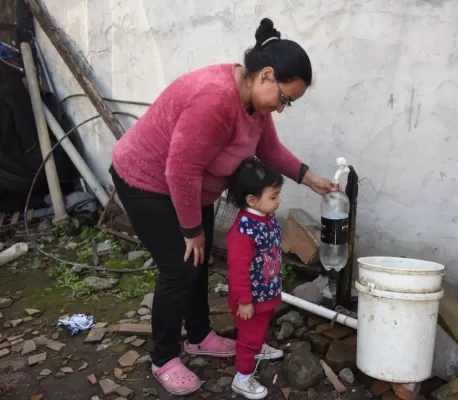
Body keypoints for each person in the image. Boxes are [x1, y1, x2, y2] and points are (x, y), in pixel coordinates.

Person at [109, 18, 337, 396]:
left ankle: (198, 336)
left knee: (199, 261)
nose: (282, 109)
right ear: (266, 75)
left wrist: (309, 178)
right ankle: (163, 357)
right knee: (180, 268)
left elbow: (269, 149)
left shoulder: (255, 105)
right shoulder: (214, 98)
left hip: (190, 188)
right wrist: (191, 230)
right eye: (285, 99)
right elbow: (181, 170)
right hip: (145, 180)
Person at [225, 158, 286, 399]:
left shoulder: (265, 217)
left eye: (278, 194)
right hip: (250, 298)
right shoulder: (243, 231)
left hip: (266, 291)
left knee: (260, 328)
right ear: (252, 200)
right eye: (273, 196)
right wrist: (244, 300)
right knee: (248, 337)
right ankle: (242, 377)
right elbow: (238, 269)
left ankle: (258, 348)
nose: (278, 200)